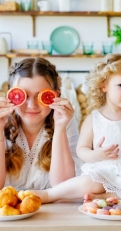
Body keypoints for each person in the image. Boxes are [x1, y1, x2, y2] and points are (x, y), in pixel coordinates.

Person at [33, 54, 121, 206]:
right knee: (89, 182)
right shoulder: (94, 118)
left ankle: (107, 196)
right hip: (103, 173)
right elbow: (81, 150)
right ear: (104, 85)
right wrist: (96, 154)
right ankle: (49, 194)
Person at [0, 57, 81, 190]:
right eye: (24, 96)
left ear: (56, 96)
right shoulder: (2, 121)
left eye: (41, 96)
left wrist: (60, 129)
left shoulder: (65, 122)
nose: (32, 105)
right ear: (10, 95)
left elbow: (63, 187)